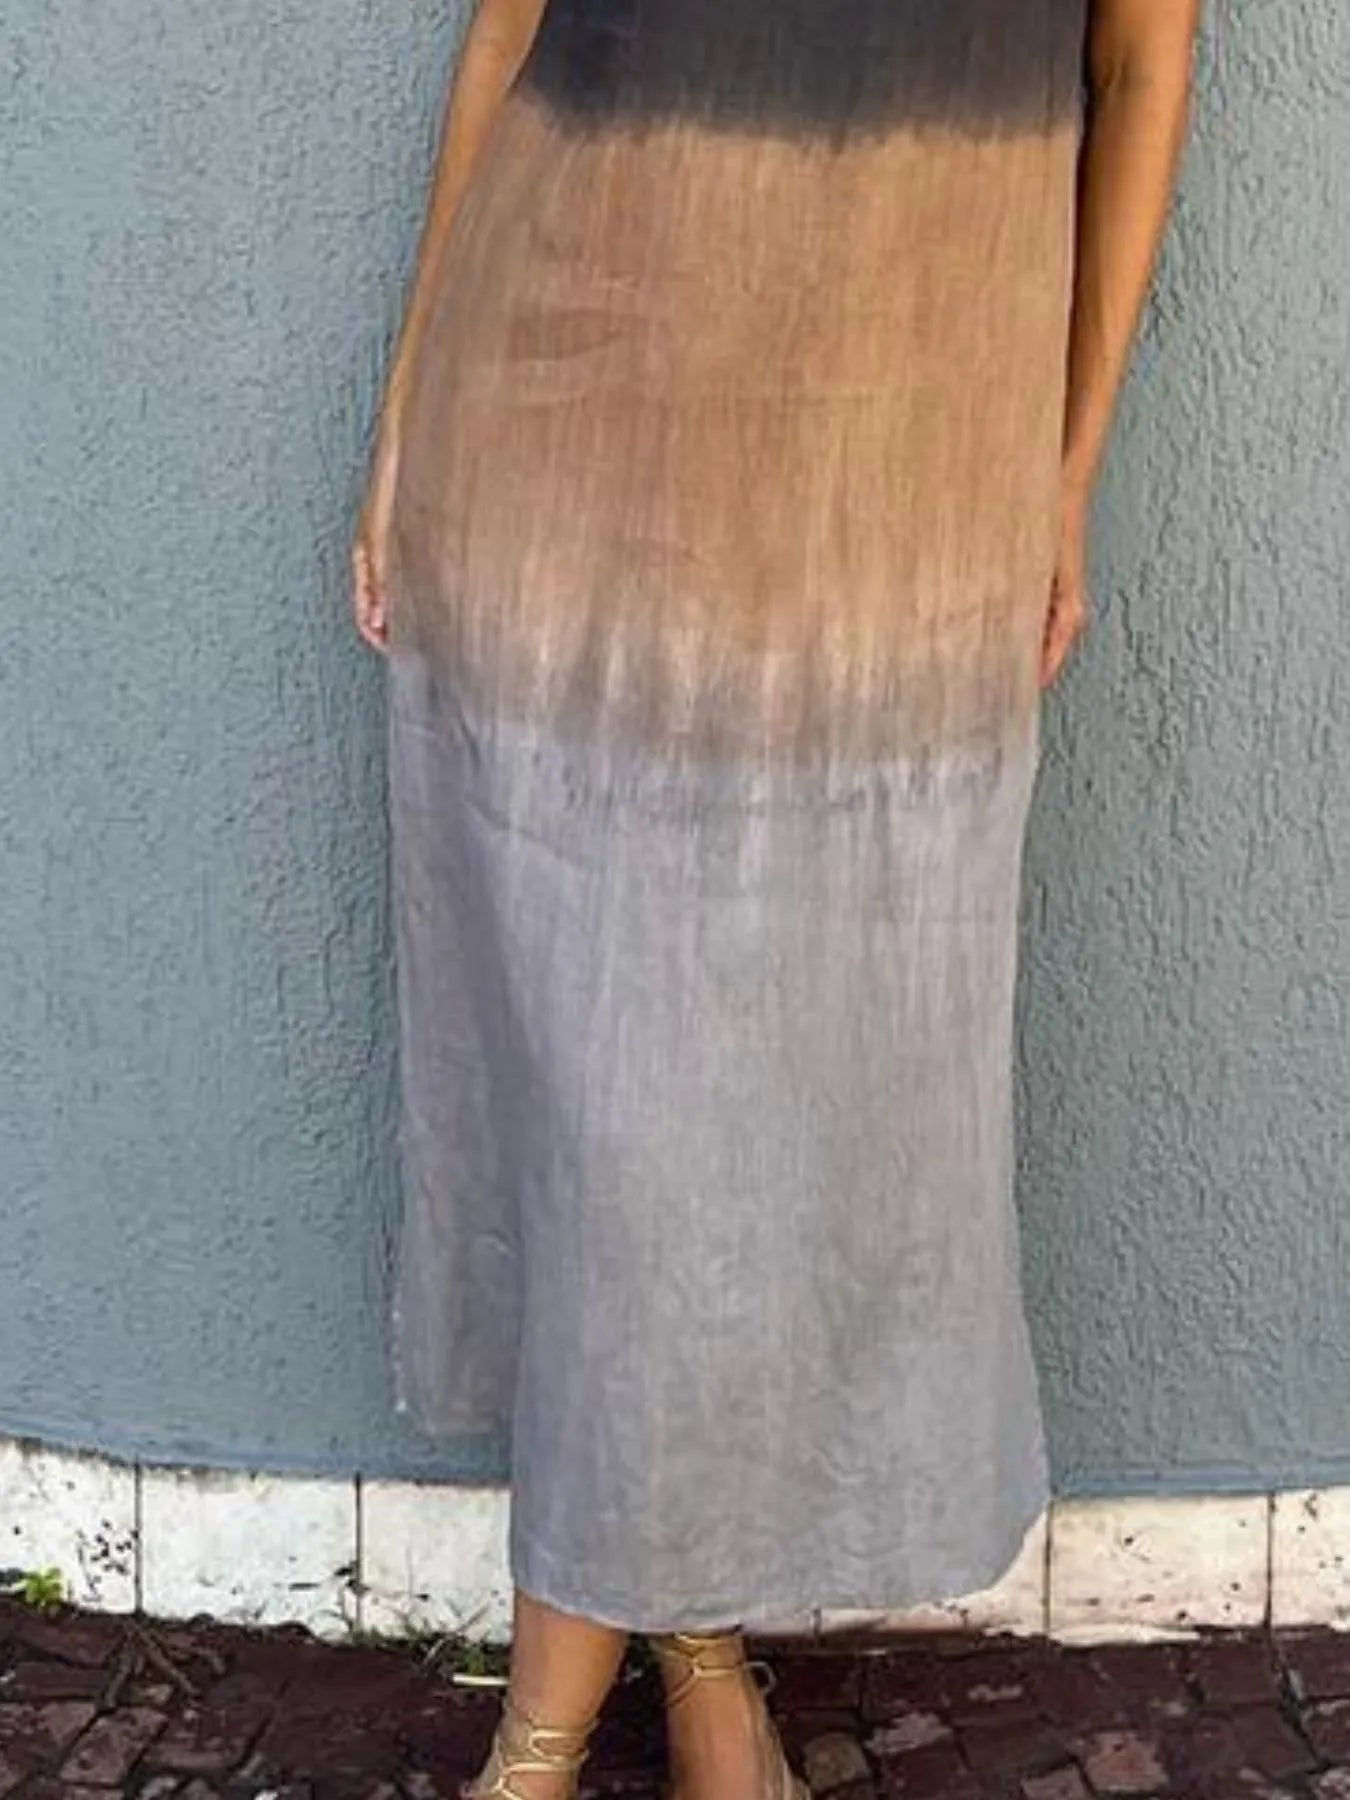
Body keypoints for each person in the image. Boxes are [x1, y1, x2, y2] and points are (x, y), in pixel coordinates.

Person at [350, 0, 1203, 1794]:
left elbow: (1139, 69)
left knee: (775, 1102)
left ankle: (657, 1658)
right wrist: (410, 396)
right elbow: (509, 25)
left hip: (889, 498)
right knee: (610, 1108)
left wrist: (1066, 473)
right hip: (565, 418)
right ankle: (594, 1704)